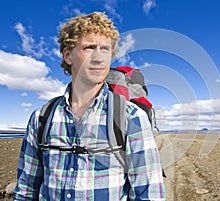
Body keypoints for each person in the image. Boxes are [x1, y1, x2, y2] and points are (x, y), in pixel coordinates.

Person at [13, 12, 166, 200]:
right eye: (89, 47)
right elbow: (26, 190)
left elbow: (149, 194)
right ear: (68, 56)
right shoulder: (42, 117)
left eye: (105, 49)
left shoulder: (130, 117)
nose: (99, 58)